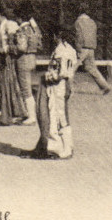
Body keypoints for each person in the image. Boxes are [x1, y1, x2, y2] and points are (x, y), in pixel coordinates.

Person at [28, 28, 78, 159]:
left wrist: (48, 76)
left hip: (57, 86)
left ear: (58, 36)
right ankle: (67, 147)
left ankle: (60, 149)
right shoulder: (71, 50)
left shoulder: (60, 51)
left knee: (57, 115)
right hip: (66, 84)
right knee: (63, 117)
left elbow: (61, 73)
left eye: (54, 36)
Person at [13, 1, 42, 125]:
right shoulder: (34, 29)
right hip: (33, 58)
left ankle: (31, 116)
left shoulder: (22, 30)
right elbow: (40, 44)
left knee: (25, 89)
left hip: (23, 60)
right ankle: (28, 114)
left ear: (20, 17)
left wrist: (10, 48)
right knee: (27, 87)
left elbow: (21, 48)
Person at [74, 0, 111, 94]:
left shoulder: (78, 22)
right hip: (91, 48)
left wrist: (78, 48)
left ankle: (65, 88)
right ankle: (104, 86)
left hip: (82, 48)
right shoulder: (92, 22)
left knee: (72, 67)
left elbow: (79, 36)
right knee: (92, 68)